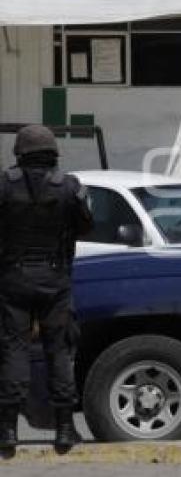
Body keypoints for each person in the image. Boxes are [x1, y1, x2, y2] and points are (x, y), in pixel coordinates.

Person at [0, 125, 93, 455]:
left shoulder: (4, 185)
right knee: (59, 350)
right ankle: (65, 429)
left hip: (13, 278)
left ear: (19, 153)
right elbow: (86, 225)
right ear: (53, 153)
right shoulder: (68, 186)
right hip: (54, 280)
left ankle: (8, 430)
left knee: (14, 350)